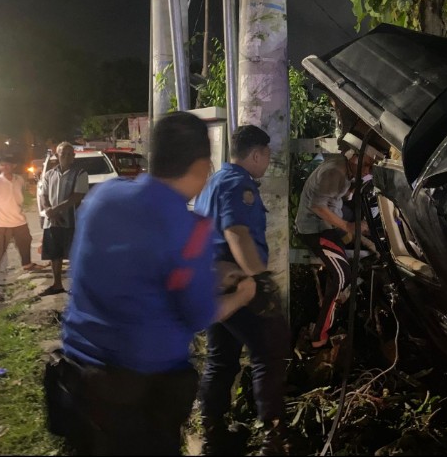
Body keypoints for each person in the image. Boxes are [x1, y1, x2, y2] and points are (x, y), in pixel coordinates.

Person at [59, 111, 258, 456]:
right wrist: (243, 294)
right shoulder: (189, 229)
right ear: (200, 167)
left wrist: (208, 274)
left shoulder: (103, 197)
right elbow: (198, 316)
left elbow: (123, 269)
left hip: (77, 379)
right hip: (138, 395)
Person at [193, 124, 291, 456]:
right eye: (267, 156)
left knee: (221, 359)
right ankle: (272, 439)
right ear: (256, 153)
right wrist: (261, 282)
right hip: (238, 283)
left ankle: (213, 433)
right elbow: (236, 232)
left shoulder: (214, 182)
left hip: (211, 284)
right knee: (270, 351)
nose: (267, 162)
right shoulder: (238, 184)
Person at [294, 131, 382, 354]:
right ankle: (319, 336)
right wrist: (348, 227)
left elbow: (339, 197)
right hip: (315, 228)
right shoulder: (335, 171)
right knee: (342, 274)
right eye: (367, 165)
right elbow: (318, 206)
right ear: (354, 157)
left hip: (331, 221)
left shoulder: (348, 171)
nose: (368, 171)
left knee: (366, 239)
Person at [38, 142, 89, 296]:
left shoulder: (80, 173)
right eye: (63, 154)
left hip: (71, 221)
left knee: (74, 255)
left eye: (69, 154)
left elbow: (77, 197)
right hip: (52, 222)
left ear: (73, 157)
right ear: (57, 156)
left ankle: (77, 286)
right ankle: (57, 284)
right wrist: (49, 211)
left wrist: (55, 211)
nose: (66, 157)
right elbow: (43, 195)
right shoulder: (49, 174)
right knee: (55, 254)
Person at [0, 155, 42, 284]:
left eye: (7, 164)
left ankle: (27, 264)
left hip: (19, 219)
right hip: (1, 222)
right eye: (2, 165)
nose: (5, 167)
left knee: (25, 242)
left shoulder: (19, 179)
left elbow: (21, 197)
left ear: (13, 166)